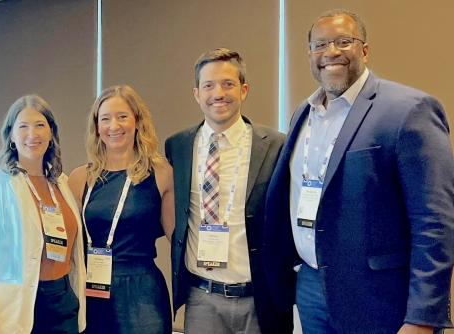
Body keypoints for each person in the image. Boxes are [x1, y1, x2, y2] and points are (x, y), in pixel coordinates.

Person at [263, 9, 454, 334]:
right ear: (309, 54)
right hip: (311, 284)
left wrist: (422, 317)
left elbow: (434, 223)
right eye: (320, 45)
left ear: (364, 50)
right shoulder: (303, 113)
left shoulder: (409, 110)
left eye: (343, 41)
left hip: (379, 297)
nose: (331, 52)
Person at [165, 48, 292, 334]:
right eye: (208, 85)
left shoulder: (274, 145)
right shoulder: (178, 146)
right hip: (202, 299)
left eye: (228, 84)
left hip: (260, 299)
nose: (218, 93)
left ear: (244, 90)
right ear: (197, 93)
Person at [0, 95, 86, 334]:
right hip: (19, 306)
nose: (32, 134)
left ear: (51, 134)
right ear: (11, 135)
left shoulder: (62, 184)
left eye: (40, 125)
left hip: (63, 301)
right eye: (23, 126)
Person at [68, 85, 174, 334]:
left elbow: (178, 238)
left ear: (137, 121)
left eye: (122, 116)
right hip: (91, 288)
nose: (113, 126)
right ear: (97, 126)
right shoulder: (79, 177)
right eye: (105, 119)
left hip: (142, 293)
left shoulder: (160, 173)